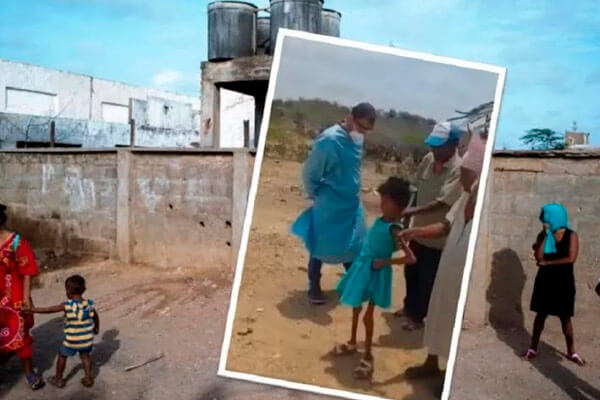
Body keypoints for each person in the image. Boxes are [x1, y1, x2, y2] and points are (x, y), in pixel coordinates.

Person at [398, 131, 486, 378]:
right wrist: (415, 231)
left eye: (468, 170)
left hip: (460, 275)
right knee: (438, 313)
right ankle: (431, 362)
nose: (464, 175)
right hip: (449, 269)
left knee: (454, 321)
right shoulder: (466, 196)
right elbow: (445, 226)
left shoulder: (481, 199)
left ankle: (449, 376)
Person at [291, 103, 377, 304]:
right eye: (361, 126)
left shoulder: (357, 139)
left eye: (367, 130)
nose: (363, 132)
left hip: (351, 203)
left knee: (353, 244)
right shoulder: (330, 140)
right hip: (329, 203)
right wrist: (314, 195)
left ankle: (352, 285)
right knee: (320, 244)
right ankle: (314, 287)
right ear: (350, 118)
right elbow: (311, 171)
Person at [333, 177, 417, 379]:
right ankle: (353, 342)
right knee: (355, 306)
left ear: (397, 204)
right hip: (363, 266)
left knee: (368, 315)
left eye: (385, 201)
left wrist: (385, 262)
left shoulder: (395, 229)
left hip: (375, 272)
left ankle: (368, 357)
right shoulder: (383, 222)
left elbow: (411, 258)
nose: (382, 205)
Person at [395, 121, 464, 331]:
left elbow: (442, 202)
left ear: (453, 145)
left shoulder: (459, 169)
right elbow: (416, 189)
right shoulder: (428, 159)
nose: (434, 149)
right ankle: (409, 308)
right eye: (432, 144)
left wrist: (412, 212)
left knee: (427, 279)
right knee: (411, 273)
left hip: (437, 238)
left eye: (438, 145)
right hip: (417, 233)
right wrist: (407, 217)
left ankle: (417, 317)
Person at [524, 203, 585, 366]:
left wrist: (548, 264)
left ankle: (572, 351)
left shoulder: (571, 235)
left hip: (563, 282)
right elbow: (538, 256)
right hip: (545, 281)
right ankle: (533, 347)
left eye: (547, 217)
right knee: (540, 316)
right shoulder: (544, 235)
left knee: (565, 319)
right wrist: (544, 236)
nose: (544, 220)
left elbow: (571, 258)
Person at [0, 203, 45, 390]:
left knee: (21, 336)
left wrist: (26, 298)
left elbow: (27, 271)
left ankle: (29, 373)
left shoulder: (16, 242)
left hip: (14, 297)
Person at [28, 275, 100, 387]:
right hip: (86, 339)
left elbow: (49, 310)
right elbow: (95, 316)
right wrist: (96, 327)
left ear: (67, 291)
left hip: (72, 340)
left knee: (62, 356)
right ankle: (88, 378)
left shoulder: (67, 305)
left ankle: (59, 379)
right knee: (85, 357)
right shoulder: (89, 304)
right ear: (84, 290)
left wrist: (33, 309)